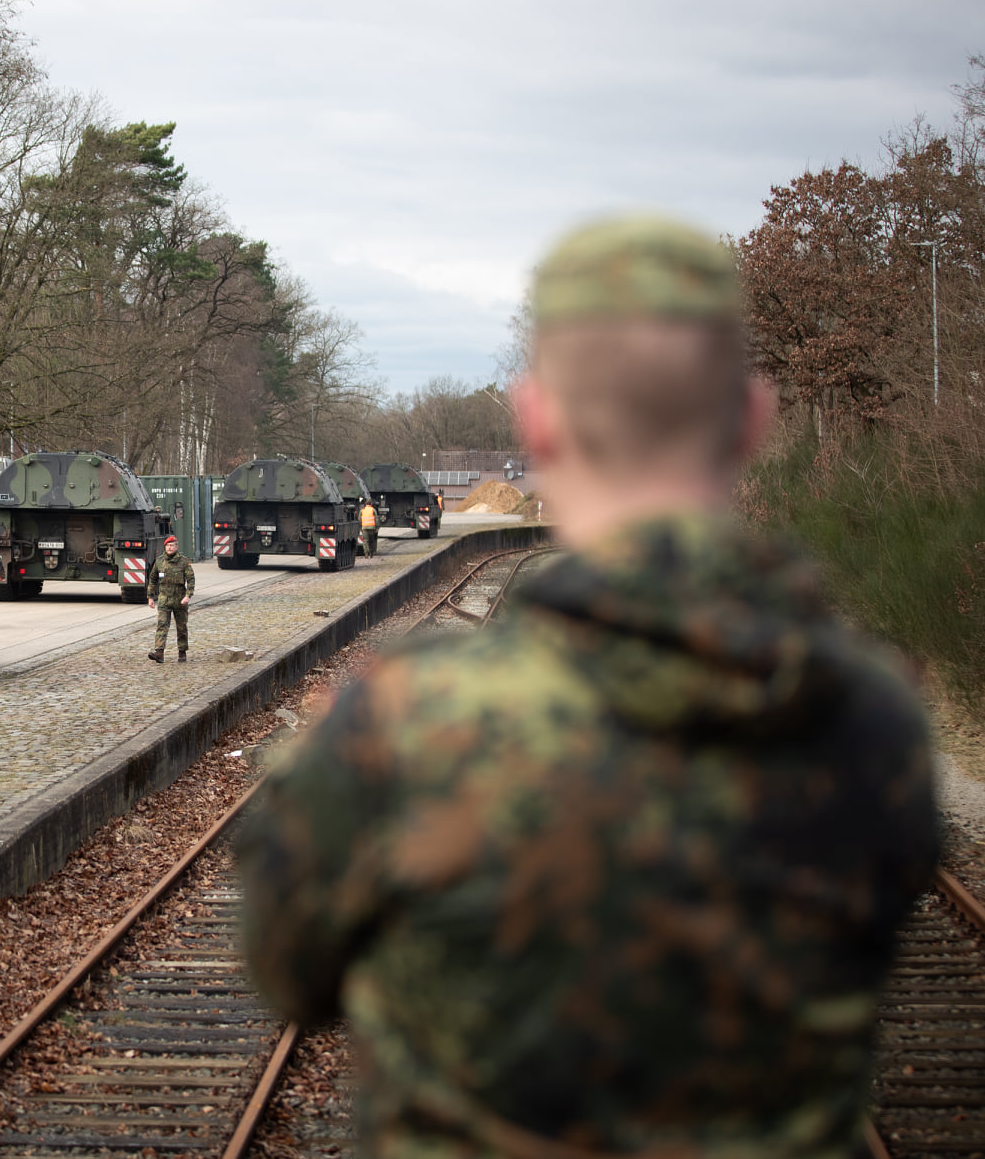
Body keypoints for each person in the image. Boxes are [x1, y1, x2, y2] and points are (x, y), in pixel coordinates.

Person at [239, 215, 938, 1159]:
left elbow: (286, 975)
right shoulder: (874, 720)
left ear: (537, 419)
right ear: (750, 418)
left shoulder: (409, 724)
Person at [145, 533, 195, 663]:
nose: (170, 548)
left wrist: (188, 596)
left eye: (172, 545)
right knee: (162, 625)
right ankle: (159, 652)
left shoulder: (184, 562)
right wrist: (150, 596)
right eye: (168, 545)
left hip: (179, 600)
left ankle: (182, 652)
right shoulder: (160, 561)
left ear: (176, 547)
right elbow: (152, 579)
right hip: (164, 600)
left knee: (181, 627)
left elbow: (190, 579)